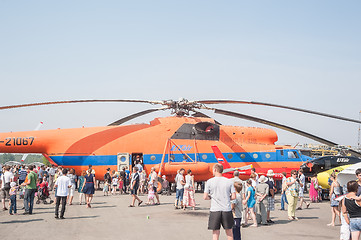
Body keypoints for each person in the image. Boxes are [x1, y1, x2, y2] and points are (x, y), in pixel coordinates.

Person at [204, 163, 236, 240]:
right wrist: (227, 198)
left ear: (215, 170)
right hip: (226, 209)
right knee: (229, 232)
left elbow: (205, 197)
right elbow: (234, 196)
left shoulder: (209, 181)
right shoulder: (229, 181)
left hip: (215, 209)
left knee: (215, 233)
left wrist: (211, 197)